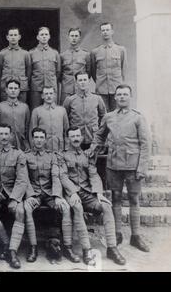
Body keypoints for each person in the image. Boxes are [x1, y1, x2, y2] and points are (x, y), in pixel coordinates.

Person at [89, 84, 150, 252]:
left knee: (133, 199)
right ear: (115, 97)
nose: (122, 97)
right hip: (114, 164)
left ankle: (135, 236)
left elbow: (145, 144)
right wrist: (93, 149)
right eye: (119, 95)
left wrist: (142, 168)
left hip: (132, 165)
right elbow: (99, 136)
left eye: (125, 94)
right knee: (115, 198)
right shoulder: (109, 117)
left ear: (130, 97)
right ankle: (117, 233)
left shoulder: (138, 117)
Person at [59, 126, 126, 265]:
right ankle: (86, 250)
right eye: (72, 136)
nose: (76, 139)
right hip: (71, 194)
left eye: (78, 136)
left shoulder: (86, 155)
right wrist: (72, 193)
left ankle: (112, 247)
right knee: (77, 208)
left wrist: (99, 193)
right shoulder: (62, 155)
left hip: (87, 193)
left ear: (81, 138)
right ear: (67, 139)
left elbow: (93, 174)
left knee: (107, 206)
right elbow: (63, 177)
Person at [23, 127, 80, 263]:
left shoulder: (52, 156)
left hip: (50, 193)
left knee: (65, 208)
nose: (38, 140)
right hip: (34, 193)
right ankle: (33, 247)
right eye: (36, 137)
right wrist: (30, 195)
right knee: (26, 209)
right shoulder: (26, 156)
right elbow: (24, 178)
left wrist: (57, 196)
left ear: (45, 139)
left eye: (41, 137)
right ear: (32, 139)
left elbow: (56, 176)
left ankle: (67, 247)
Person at [0, 124, 32, 269]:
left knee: (20, 211)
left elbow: (22, 179)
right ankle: (6, 244)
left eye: (7, 134)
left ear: (11, 135)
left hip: (13, 192)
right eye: (1, 134)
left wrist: (14, 198)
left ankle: (12, 252)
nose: (4, 137)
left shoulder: (19, 154)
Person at [63, 72, 106, 150]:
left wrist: (99, 132)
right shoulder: (70, 100)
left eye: (85, 80)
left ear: (89, 82)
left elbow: (103, 117)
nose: (83, 82)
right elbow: (65, 119)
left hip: (93, 137)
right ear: (76, 82)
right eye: (80, 80)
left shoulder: (97, 98)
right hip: (76, 138)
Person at [90, 22, 127, 111]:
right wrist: (100, 82)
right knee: (103, 115)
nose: (105, 32)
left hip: (116, 88)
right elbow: (93, 71)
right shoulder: (95, 51)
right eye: (103, 30)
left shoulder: (120, 50)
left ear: (112, 31)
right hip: (101, 88)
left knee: (118, 113)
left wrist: (120, 85)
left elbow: (123, 69)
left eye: (107, 30)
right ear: (101, 33)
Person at [0, 27, 31, 102]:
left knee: (21, 108)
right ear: (7, 37)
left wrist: (24, 82)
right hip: (6, 87)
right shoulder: (2, 53)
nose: (13, 37)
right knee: (5, 108)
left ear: (19, 37)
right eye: (11, 35)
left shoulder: (25, 54)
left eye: (15, 35)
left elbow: (28, 71)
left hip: (21, 87)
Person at [0, 79, 30, 151]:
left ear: (19, 90)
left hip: (21, 144)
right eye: (10, 88)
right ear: (6, 90)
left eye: (15, 88)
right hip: (3, 144)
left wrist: (26, 143)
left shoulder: (25, 107)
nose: (13, 90)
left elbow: (27, 126)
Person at [29, 27, 61, 109]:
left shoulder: (54, 53)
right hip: (36, 89)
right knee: (36, 111)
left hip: (51, 89)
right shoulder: (31, 53)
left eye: (46, 34)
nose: (44, 36)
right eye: (42, 34)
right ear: (37, 37)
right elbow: (29, 72)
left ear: (49, 36)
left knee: (52, 111)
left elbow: (58, 72)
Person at [30, 87, 69, 152]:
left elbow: (67, 131)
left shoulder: (62, 110)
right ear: (42, 96)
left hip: (59, 148)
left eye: (51, 93)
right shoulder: (36, 111)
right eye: (46, 94)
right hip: (43, 148)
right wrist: (33, 148)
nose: (49, 96)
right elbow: (32, 131)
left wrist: (67, 147)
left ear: (55, 95)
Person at [59, 28, 91, 105]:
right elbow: (59, 73)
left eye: (76, 36)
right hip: (66, 89)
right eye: (72, 36)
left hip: (80, 88)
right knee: (65, 110)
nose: (74, 38)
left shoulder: (85, 54)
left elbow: (89, 72)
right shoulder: (62, 55)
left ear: (79, 38)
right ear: (68, 37)